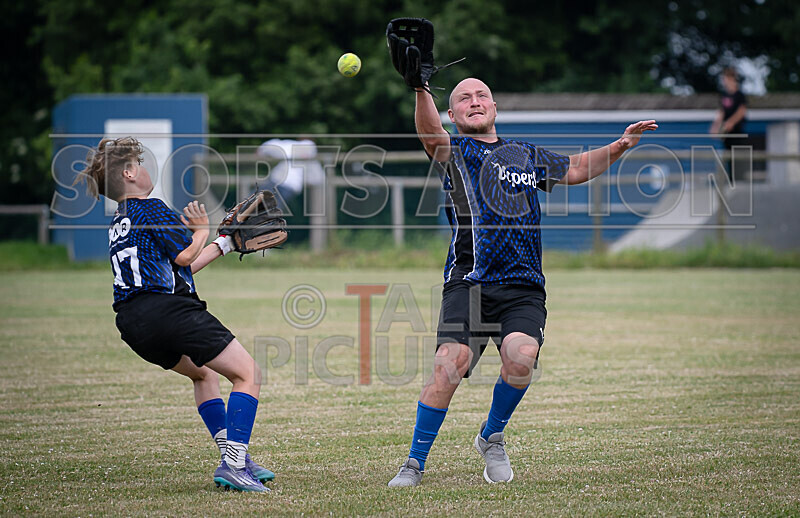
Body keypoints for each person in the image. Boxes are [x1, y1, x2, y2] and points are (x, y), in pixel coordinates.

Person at [387, 78, 657, 487]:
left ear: (494, 106)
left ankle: (491, 436)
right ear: (454, 114)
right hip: (470, 282)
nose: (474, 102)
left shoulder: (525, 154)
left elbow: (578, 168)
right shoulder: (455, 152)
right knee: (449, 365)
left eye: (481, 96)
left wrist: (620, 145)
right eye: (463, 98)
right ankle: (414, 463)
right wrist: (421, 88)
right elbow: (430, 134)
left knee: (522, 356)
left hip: (523, 286)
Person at [79, 137, 274, 492]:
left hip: (133, 322)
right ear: (129, 172)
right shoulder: (149, 206)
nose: (146, 168)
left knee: (203, 375)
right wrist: (201, 230)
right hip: (168, 312)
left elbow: (176, 270)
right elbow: (184, 256)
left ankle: (235, 458)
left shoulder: (120, 223)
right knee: (249, 374)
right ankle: (233, 465)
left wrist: (224, 243)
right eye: (141, 163)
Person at [710, 67, 748, 180]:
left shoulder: (739, 95)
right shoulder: (724, 95)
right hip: (727, 134)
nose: (724, 81)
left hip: (737, 132)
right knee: (728, 156)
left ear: (732, 79)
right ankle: (731, 179)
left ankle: (739, 179)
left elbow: (742, 111)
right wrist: (715, 126)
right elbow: (721, 113)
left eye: (726, 79)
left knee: (737, 157)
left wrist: (730, 122)